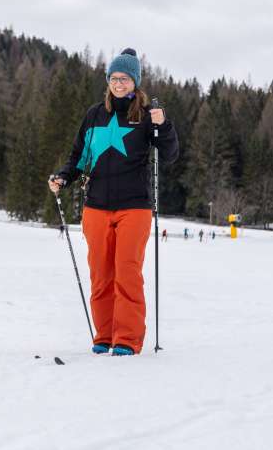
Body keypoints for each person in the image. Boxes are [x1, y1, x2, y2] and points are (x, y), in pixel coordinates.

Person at [49, 48, 179, 356]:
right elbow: (79, 156)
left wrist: (165, 126)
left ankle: (128, 338)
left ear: (135, 81)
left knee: (127, 271)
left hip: (134, 206)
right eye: (113, 78)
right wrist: (63, 177)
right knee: (101, 274)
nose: (118, 83)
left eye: (124, 78)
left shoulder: (147, 115)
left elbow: (170, 155)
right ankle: (104, 334)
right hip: (96, 206)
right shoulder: (95, 114)